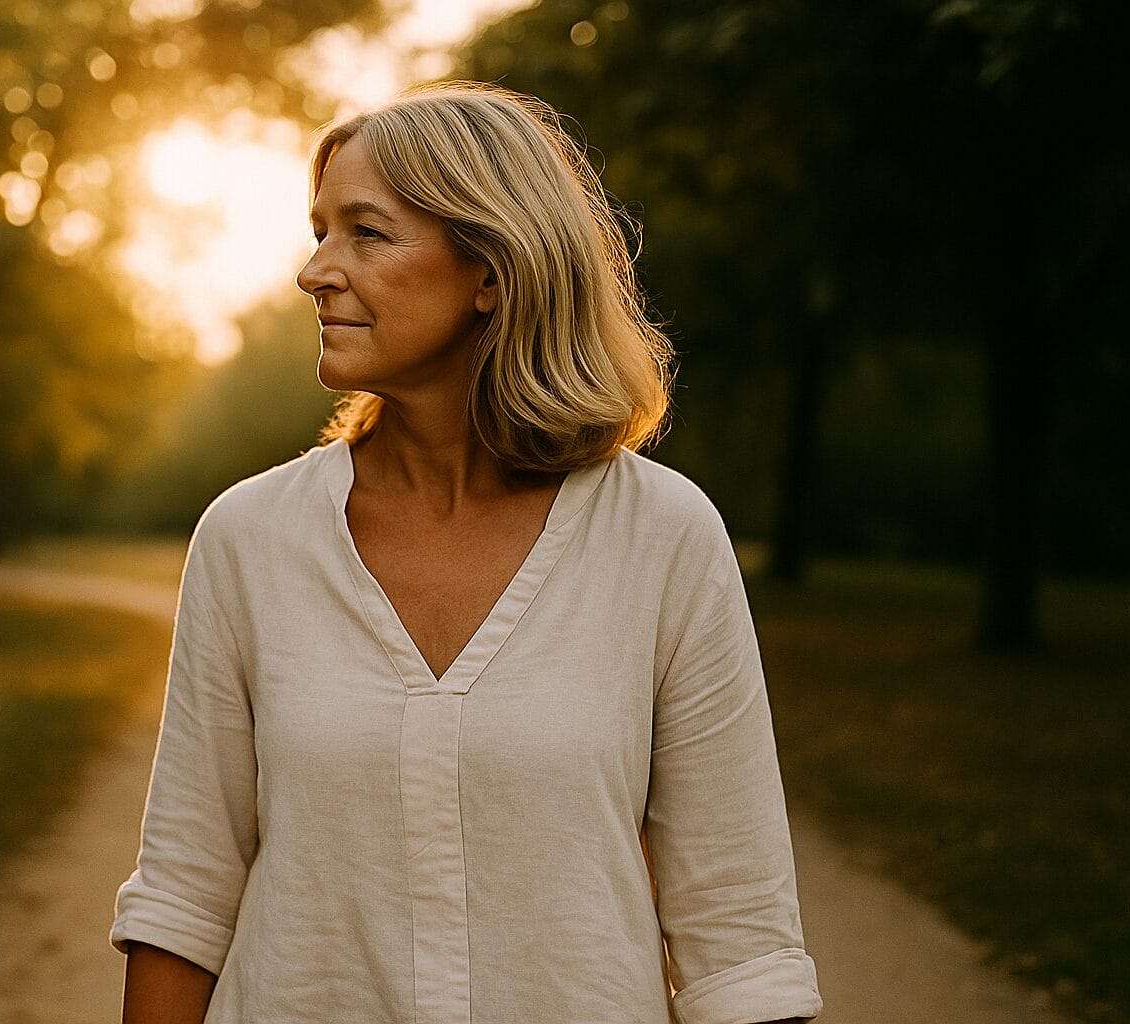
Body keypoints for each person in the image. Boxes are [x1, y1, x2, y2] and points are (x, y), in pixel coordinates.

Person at [111, 80, 823, 1024]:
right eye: (319, 231)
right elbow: (185, 895)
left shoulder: (662, 538)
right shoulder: (249, 540)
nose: (314, 271)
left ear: (491, 269)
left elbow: (739, 935)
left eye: (366, 233)